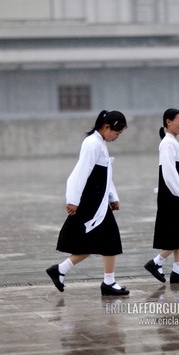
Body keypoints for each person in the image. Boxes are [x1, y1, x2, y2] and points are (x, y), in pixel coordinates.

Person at [46, 110, 129, 296]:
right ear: (107, 127)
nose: (117, 137)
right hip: (91, 202)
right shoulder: (92, 144)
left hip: (98, 200)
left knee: (91, 242)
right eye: (117, 133)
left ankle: (60, 270)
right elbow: (81, 172)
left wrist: (112, 197)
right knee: (109, 239)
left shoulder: (100, 143)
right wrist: (73, 200)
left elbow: (105, 175)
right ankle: (108, 282)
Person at [144, 108, 179, 284]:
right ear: (168, 121)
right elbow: (168, 171)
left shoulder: (174, 143)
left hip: (177, 192)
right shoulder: (167, 143)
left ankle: (177, 271)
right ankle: (156, 262)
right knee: (177, 232)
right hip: (172, 193)